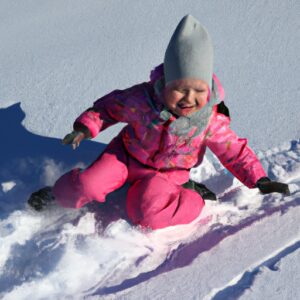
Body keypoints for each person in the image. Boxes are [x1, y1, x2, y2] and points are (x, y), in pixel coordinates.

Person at [28, 15, 289, 230]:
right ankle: (56, 195)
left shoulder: (209, 119)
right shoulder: (142, 98)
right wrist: (86, 128)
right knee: (87, 185)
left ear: (208, 89)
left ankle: (192, 198)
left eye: (198, 91)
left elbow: (235, 151)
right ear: (165, 84)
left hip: (167, 176)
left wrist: (259, 179)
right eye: (180, 89)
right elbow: (108, 108)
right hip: (125, 157)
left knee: (146, 214)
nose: (189, 99)